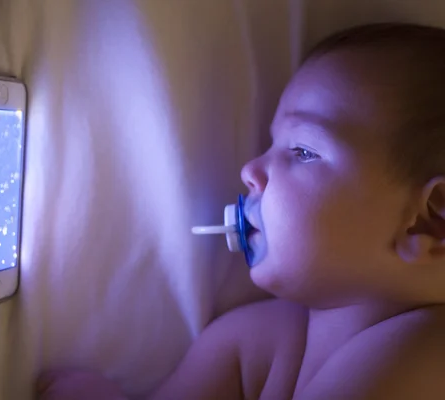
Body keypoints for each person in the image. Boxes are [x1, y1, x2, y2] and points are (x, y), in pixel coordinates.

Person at [37, 22, 445, 399]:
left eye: (302, 151)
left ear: (429, 220)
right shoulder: (261, 341)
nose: (251, 170)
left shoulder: (426, 355)